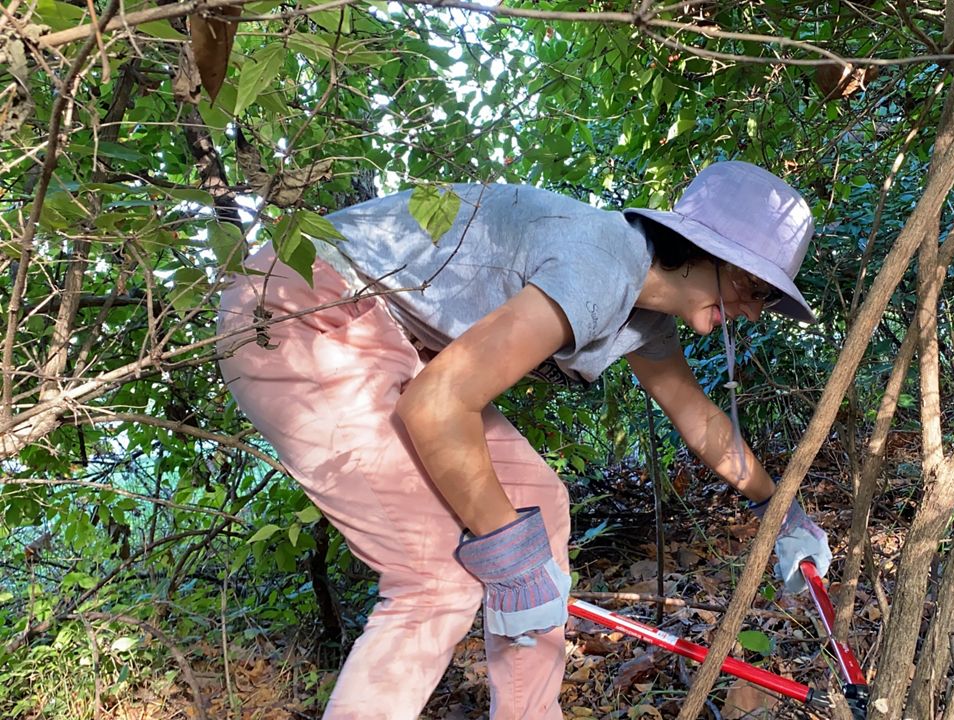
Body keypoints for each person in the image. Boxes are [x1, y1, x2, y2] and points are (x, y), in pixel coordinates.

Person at [216, 160, 833, 719]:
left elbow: (698, 417)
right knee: (436, 580)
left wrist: (780, 512)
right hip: (297, 307)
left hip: (386, 332)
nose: (756, 312)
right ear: (709, 253)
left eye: (770, 301)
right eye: (756, 290)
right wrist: (506, 556)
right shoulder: (601, 267)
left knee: (541, 505)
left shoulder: (642, 311)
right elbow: (436, 405)